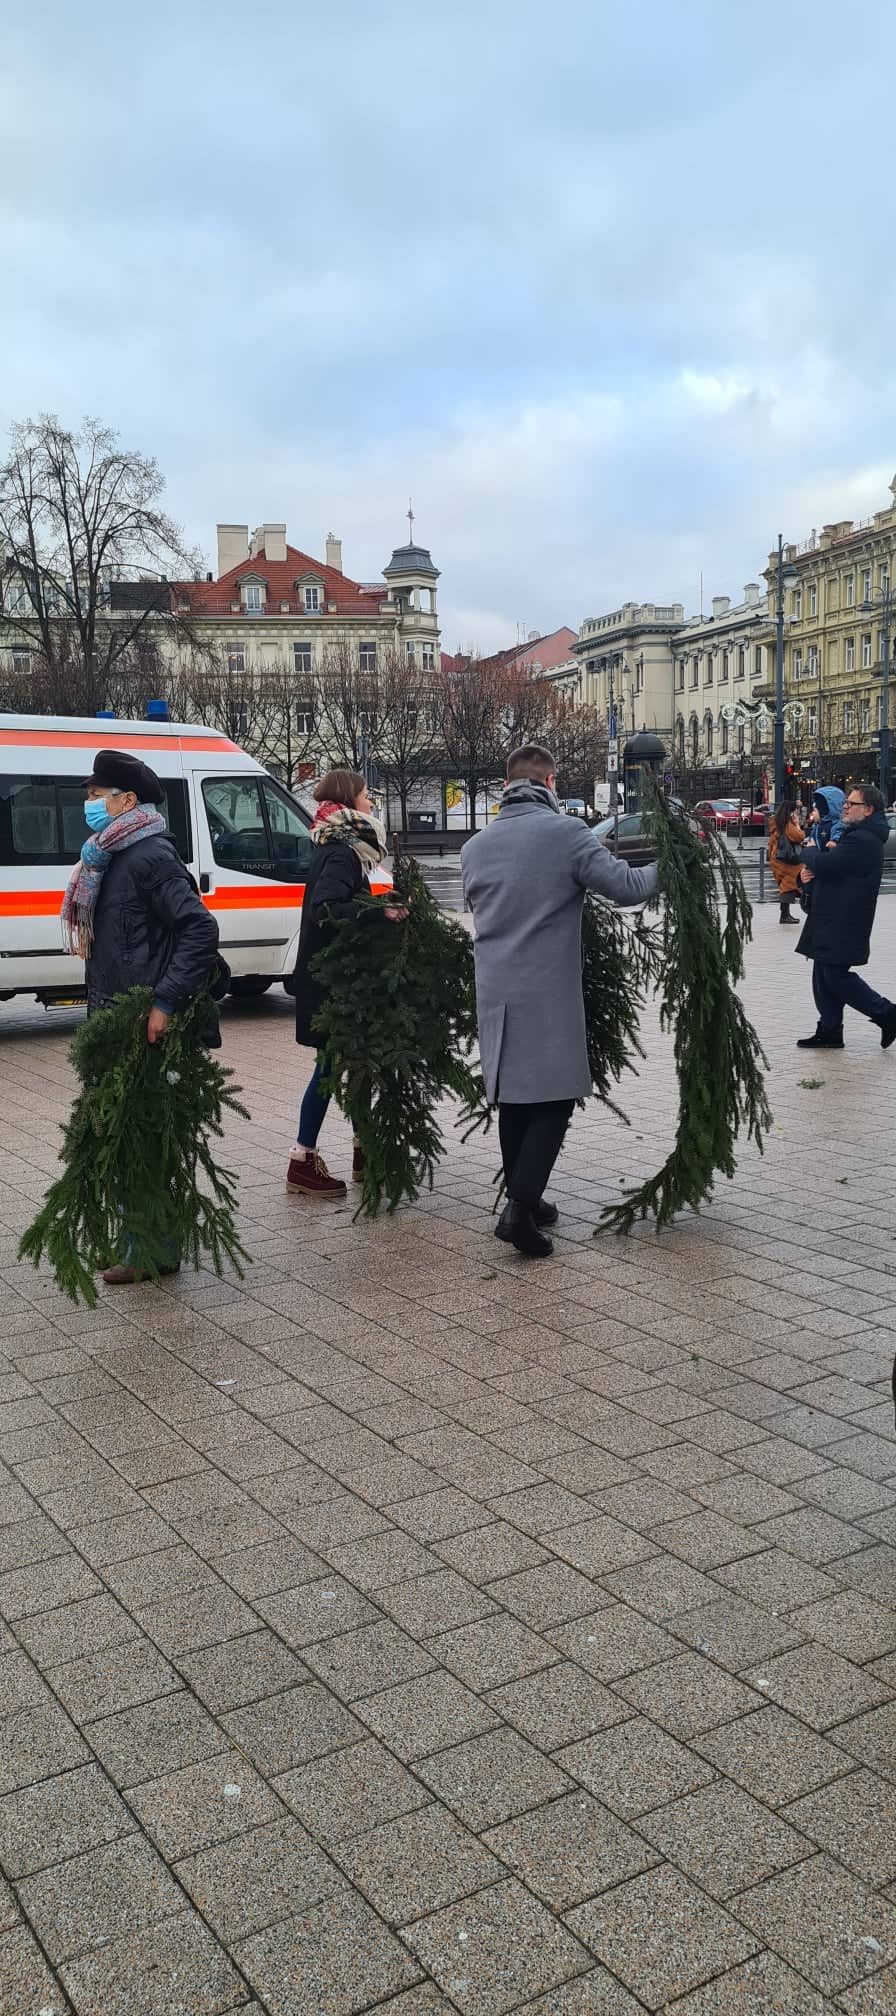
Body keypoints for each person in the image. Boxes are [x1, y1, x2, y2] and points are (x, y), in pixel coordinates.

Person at [460, 744, 659, 1259]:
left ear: (508, 784)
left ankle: (528, 1197)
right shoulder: (566, 834)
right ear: (550, 784)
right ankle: (520, 1210)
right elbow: (628, 887)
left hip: (495, 990)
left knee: (516, 1096)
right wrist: (674, 863)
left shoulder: (474, 846)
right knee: (553, 1098)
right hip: (546, 989)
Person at [63, 749, 221, 1284]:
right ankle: (143, 1242)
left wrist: (165, 1003)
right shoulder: (107, 855)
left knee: (144, 1132)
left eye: (96, 795)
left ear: (126, 801)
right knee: (127, 1130)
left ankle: (150, 1248)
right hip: (115, 1017)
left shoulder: (150, 856)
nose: (89, 803)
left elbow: (199, 929)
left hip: (144, 1021)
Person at [287, 770, 406, 1198]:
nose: (371, 801)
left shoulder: (337, 844)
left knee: (349, 1065)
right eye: (366, 794)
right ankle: (302, 1161)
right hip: (329, 982)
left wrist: (377, 905)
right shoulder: (341, 850)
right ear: (350, 800)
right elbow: (328, 909)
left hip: (331, 977)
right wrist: (378, 914)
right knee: (331, 1066)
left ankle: (363, 1153)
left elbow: (343, 903)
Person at [796, 784, 896, 1050]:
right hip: (832, 915)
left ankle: (887, 1013)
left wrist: (809, 851)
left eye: (852, 804)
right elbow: (828, 871)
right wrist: (805, 875)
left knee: (834, 975)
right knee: (823, 973)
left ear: (869, 809)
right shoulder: (856, 835)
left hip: (844, 918)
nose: (846, 807)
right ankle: (830, 1029)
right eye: (846, 803)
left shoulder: (862, 839)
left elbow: (826, 865)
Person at [768, 802, 804, 923]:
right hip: (786, 860)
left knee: (786, 884)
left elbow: (771, 843)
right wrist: (797, 824)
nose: (796, 813)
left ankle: (785, 914)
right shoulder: (787, 824)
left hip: (778, 858)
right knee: (789, 885)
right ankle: (785, 915)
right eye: (795, 811)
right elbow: (798, 836)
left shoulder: (776, 823)